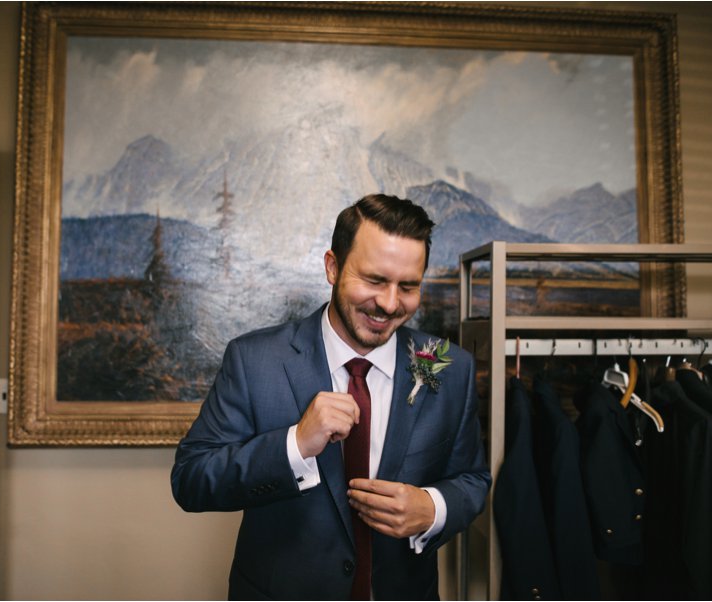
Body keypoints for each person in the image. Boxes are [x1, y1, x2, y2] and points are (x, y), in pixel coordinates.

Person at [171, 194, 491, 600]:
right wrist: (295, 444)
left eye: (407, 286)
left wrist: (434, 508)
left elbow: (472, 478)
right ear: (332, 267)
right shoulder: (253, 359)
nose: (390, 304)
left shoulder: (448, 365)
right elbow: (191, 480)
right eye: (375, 281)